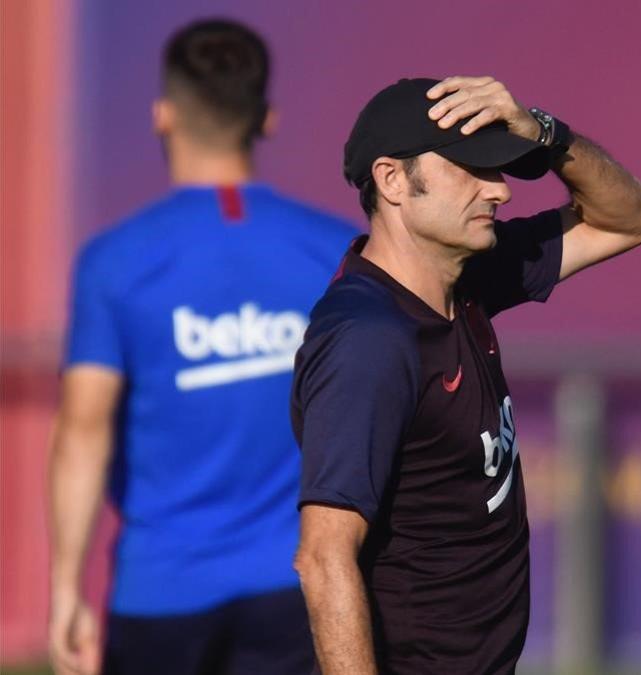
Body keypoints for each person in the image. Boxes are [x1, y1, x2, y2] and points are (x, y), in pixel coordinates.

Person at [290, 76, 641, 674]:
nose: (500, 191)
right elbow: (324, 557)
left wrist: (545, 135)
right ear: (392, 181)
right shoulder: (369, 341)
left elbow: (633, 217)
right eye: (471, 168)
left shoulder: (467, 279)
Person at [47, 19, 358, 675]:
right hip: (299, 584)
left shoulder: (114, 261)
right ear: (267, 119)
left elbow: (83, 430)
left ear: (162, 115)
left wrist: (66, 589)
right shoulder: (336, 249)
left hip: (161, 591)